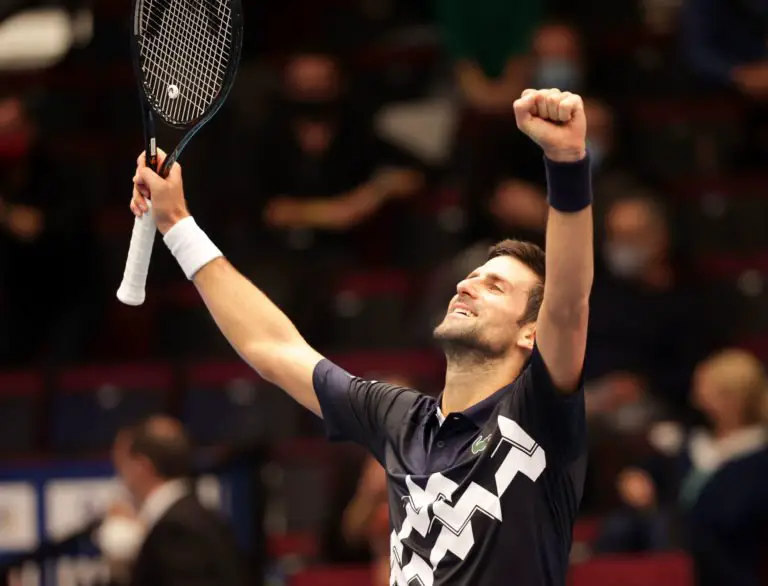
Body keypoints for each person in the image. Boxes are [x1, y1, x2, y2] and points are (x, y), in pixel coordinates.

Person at [129, 87, 593, 586]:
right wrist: (178, 224)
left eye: (495, 286)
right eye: (472, 276)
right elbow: (275, 348)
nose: (467, 285)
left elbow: (568, 303)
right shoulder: (400, 419)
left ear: (530, 333)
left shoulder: (536, 414)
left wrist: (566, 161)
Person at [98, 416, 247, 586]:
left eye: (123, 465)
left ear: (142, 467)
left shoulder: (176, 530)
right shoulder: (200, 518)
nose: (121, 477)